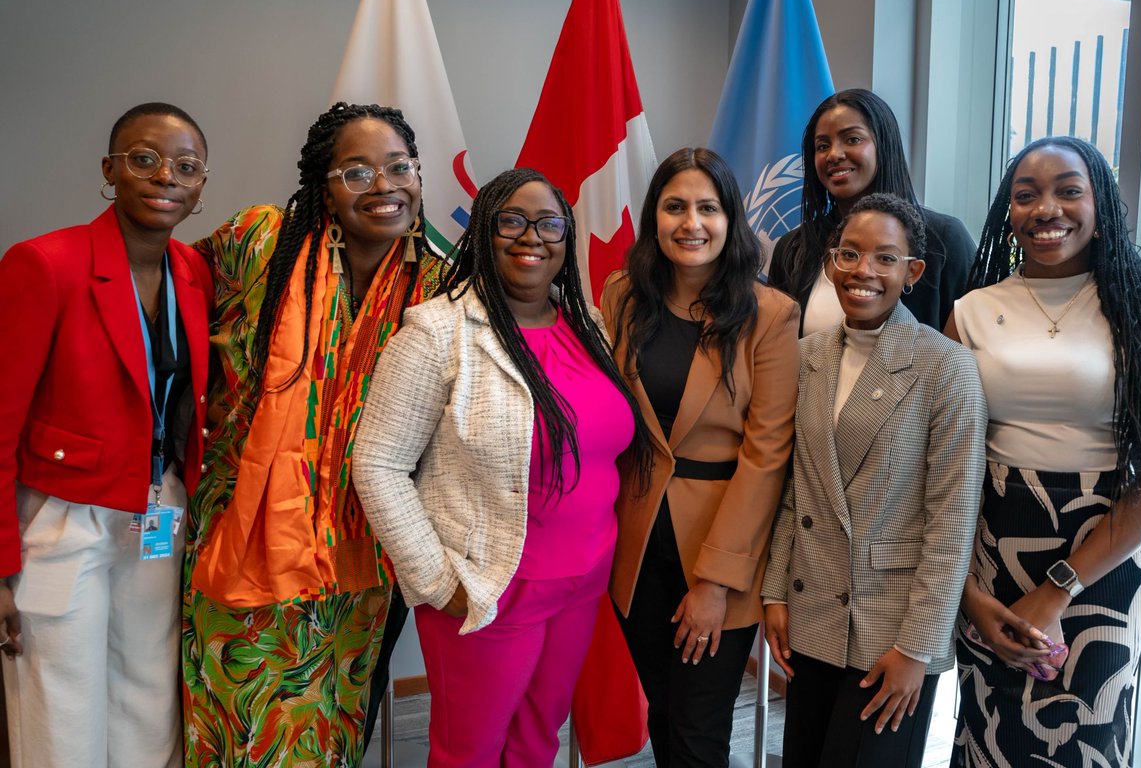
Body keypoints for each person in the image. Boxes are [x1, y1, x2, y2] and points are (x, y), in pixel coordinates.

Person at [352, 167, 652, 765]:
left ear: (566, 238)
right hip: (489, 589)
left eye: (549, 224)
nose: (531, 237)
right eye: (511, 221)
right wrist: (437, 582)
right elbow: (378, 463)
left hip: (583, 584)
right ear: (483, 232)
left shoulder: (588, 324)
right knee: (470, 751)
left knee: (539, 740)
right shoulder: (438, 332)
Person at [182, 102, 439, 766]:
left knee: (329, 721)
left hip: (358, 550)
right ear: (323, 187)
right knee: (237, 717)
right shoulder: (260, 241)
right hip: (241, 530)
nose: (383, 186)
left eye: (399, 167)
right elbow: (168, 296)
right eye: (356, 172)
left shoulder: (437, 283)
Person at [948, 136, 1141, 766]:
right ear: (1009, 212)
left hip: (1103, 554)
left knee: (1087, 738)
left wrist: (1059, 589)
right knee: (987, 733)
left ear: (1100, 204)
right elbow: (941, 465)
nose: (1046, 209)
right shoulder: (972, 312)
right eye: (1026, 195)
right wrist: (967, 594)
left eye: (1068, 190)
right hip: (989, 548)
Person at [0, 102, 212, 767]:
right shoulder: (45, 263)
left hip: (157, 509)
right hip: (64, 517)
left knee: (148, 697)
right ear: (109, 169)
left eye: (186, 166)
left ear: (201, 184)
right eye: (144, 159)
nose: (166, 177)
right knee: (62, 706)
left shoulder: (194, 272)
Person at [761, 193, 987, 767]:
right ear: (831, 263)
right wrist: (774, 591)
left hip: (893, 627)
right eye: (850, 254)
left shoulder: (947, 366)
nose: (863, 270)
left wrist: (918, 647)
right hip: (811, 609)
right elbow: (792, 489)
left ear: (913, 272)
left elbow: (952, 521)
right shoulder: (805, 356)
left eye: (885, 258)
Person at [601, 147, 801, 767]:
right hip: (635, 543)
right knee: (663, 714)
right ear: (654, 218)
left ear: (731, 219)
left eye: (708, 208)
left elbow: (767, 455)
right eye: (675, 207)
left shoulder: (770, 314)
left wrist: (714, 582)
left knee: (699, 732)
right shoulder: (622, 295)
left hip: (720, 545)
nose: (691, 223)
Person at [767, 88, 975, 334]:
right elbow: (778, 345)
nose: (834, 154)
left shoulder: (945, 240)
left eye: (852, 139)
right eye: (822, 146)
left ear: (884, 146)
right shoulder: (793, 248)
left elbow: (974, 339)